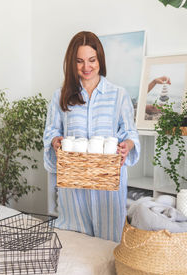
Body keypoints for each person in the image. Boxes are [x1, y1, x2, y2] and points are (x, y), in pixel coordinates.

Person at [43, 31, 140, 243]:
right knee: (75, 246)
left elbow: (130, 132)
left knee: (108, 247)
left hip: (108, 187)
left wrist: (128, 145)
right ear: (72, 62)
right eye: (79, 61)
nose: (86, 67)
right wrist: (55, 141)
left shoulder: (118, 95)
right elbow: (51, 130)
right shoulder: (61, 96)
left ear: (100, 60)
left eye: (91, 60)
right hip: (73, 186)